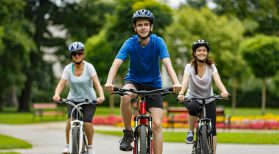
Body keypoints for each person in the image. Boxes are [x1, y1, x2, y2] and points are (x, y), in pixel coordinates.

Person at [105, 9, 181, 154]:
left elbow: (167, 63)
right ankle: (128, 134)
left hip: (154, 85)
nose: (143, 27)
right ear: (135, 28)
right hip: (134, 81)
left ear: (151, 27)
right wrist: (110, 81)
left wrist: (176, 82)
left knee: (157, 124)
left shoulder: (158, 42)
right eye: (140, 25)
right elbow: (116, 63)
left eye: (146, 24)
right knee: (126, 96)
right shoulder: (130, 42)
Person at [177, 39, 229, 154]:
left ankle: (213, 152)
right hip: (192, 98)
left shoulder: (212, 67)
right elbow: (185, 82)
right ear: (194, 53)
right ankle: (191, 131)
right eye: (199, 50)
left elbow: (218, 81)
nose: (202, 52)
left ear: (207, 53)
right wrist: (181, 93)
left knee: (213, 130)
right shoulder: (189, 67)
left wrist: (224, 91)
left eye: (204, 50)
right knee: (193, 107)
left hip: (208, 99)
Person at [53, 42, 105, 154]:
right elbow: (61, 84)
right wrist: (57, 94)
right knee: (70, 121)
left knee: (87, 123)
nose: (77, 56)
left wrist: (101, 96)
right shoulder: (68, 68)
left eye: (80, 53)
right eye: (74, 54)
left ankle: (90, 147)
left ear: (83, 54)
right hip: (72, 99)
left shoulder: (89, 67)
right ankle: (67, 146)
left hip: (89, 100)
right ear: (71, 56)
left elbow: (96, 83)